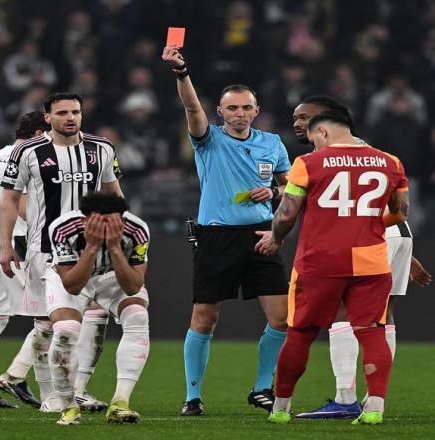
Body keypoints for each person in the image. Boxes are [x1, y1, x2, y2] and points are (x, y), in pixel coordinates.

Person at [256, 110, 410, 425]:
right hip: (370, 261)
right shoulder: (390, 161)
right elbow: (401, 211)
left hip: (320, 261)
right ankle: (375, 408)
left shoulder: (308, 163)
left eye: (314, 139)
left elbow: (286, 214)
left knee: (300, 333)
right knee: (372, 331)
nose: (314, 145)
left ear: (323, 132)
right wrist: (366, 226)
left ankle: (281, 409)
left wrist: (276, 238)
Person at [162, 45, 291, 416]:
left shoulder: (272, 143)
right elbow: (192, 109)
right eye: (232, 108)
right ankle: (192, 396)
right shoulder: (209, 139)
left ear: (256, 111)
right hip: (216, 236)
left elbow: (292, 187)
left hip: (262, 235)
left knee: (282, 318)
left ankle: (262, 388)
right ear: (220, 112)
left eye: (246, 107)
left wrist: (275, 192)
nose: (239, 113)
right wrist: (181, 72)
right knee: (205, 317)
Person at [291, 96, 432, 419]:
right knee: (382, 318)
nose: (299, 124)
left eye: (306, 118)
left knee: (344, 311)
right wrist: (404, 250)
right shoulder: (367, 152)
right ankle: (374, 399)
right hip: (393, 232)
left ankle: (345, 398)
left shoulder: (330, 155)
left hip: (369, 237)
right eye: (296, 118)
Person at [0, 92, 123, 412]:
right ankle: (50, 395)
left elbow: (114, 195)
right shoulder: (28, 151)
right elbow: (10, 199)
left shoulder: (102, 148)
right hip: (44, 249)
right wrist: (5, 244)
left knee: (95, 316)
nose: (71, 117)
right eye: (63, 113)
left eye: (76, 112)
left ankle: (77, 390)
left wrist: (120, 235)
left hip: (90, 249)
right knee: (46, 323)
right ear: (48, 117)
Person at [46, 192, 150, 425]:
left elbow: (133, 286)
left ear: (123, 219)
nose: (107, 228)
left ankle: (120, 402)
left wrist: (115, 248)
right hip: (71, 273)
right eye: (99, 222)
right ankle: (68, 406)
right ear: (84, 220)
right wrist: (92, 246)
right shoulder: (63, 228)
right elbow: (72, 285)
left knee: (137, 315)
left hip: (114, 276)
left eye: (113, 222)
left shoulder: (137, 230)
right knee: (66, 330)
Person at [0, 111, 49, 408]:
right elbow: (22, 207)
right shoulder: (28, 157)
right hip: (13, 249)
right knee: (51, 317)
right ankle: (17, 377)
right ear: (39, 134)